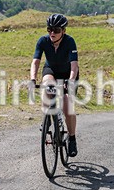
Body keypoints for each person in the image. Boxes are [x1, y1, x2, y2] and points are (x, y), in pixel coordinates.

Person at [30, 13, 80, 157]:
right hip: (51, 70)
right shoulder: (43, 41)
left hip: (68, 73)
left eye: (56, 30)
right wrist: (32, 79)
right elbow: (36, 61)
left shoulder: (70, 42)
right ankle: (48, 118)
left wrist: (70, 82)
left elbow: (74, 65)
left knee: (67, 104)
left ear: (63, 31)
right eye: (49, 29)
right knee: (47, 86)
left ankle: (71, 138)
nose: (52, 32)